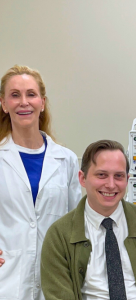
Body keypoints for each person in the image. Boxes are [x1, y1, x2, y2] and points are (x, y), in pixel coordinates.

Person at [41, 139, 136, 300]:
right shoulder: (59, 235)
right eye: (101, 175)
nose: (110, 185)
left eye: (118, 176)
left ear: (127, 179)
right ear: (82, 178)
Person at [0, 65, 82, 300]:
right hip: (7, 280)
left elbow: (76, 221)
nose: (23, 102)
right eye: (14, 95)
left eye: (31, 94)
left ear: (42, 102)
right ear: (4, 104)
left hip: (55, 280)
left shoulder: (65, 159)